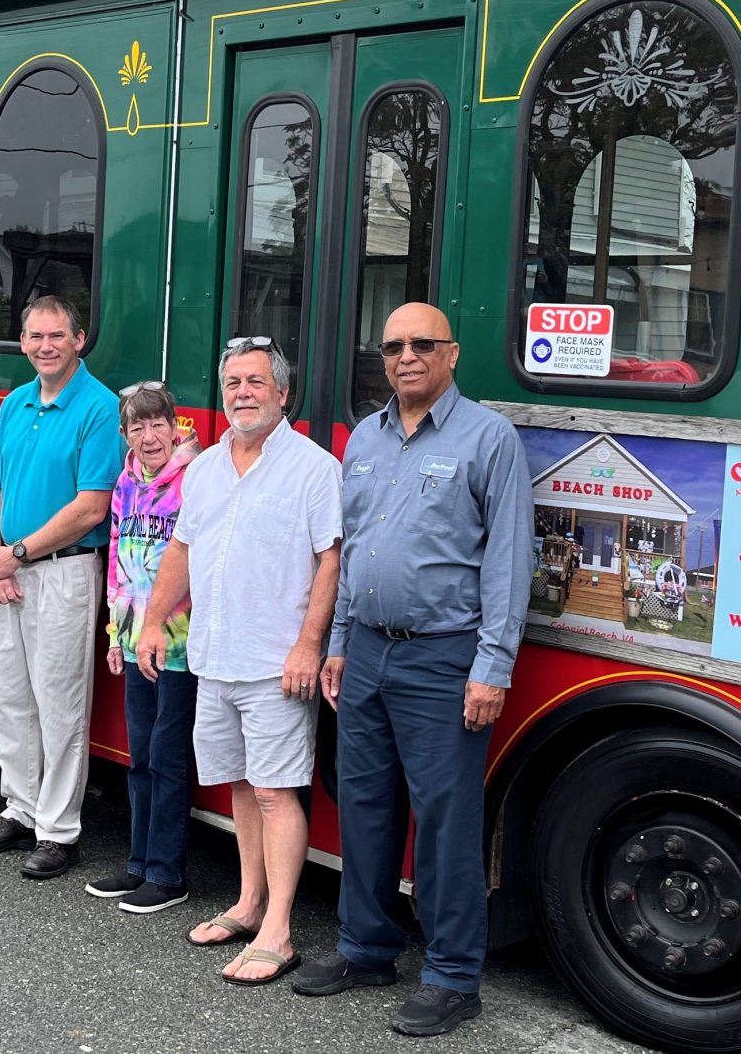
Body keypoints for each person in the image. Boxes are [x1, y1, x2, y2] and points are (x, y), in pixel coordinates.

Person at [292, 304, 534, 1038]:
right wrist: (336, 640)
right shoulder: (364, 437)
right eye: (393, 344)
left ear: (451, 353)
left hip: (444, 655)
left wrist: (492, 665)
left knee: (445, 820)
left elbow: (509, 560)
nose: (406, 356)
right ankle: (366, 947)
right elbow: (354, 547)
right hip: (365, 648)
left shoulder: (488, 438)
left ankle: (455, 975)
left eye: (421, 344)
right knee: (363, 805)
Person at [138, 341, 341, 983]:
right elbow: (182, 549)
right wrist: (151, 621)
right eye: (233, 382)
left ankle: (279, 930)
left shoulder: (313, 468)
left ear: (283, 393)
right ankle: (249, 903)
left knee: (278, 792)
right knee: (242, 786)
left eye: (256, 382)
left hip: (274, 661)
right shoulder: (201, 469)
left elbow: (330, 559)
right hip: (213, 656)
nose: (243, 392)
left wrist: (309, 645)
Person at [0, 294, 121, 880]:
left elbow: (90, 506)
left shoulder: (100, 408)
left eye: (56, 336)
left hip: (63, 572)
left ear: (79, 340)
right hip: (7, 570)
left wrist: (18, 553)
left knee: (60, 706)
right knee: (11, 702)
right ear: (23, 343)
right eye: (34, 336)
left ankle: (59, 831)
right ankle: (19, 810)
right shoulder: (17, 401)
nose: (45, 346)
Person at [88, 383, 200, 911]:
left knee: (168, 758)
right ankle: (138, 862)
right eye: (138, 426)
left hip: (178, 644)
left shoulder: (193, 480)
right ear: (125, 434)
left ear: (173, 425)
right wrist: (115, 631)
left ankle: (167, 872)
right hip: (134, 640)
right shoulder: (125, 482)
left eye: (158, 424)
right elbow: (116, 556)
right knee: (140, 757)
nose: (150, 436)